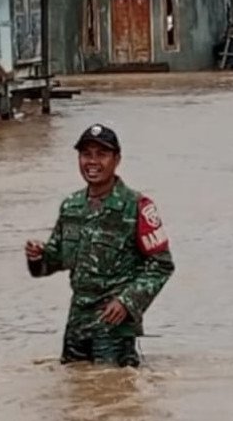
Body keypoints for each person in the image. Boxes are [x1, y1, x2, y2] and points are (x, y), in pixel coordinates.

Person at [26, 124, 175, 368]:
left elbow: (161, 265)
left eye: (101, 154)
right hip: (77, 323)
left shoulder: (136, 206)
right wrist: (37, 256)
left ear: (117, 160)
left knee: (114, 387)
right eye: (86, 154)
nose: (92, 162)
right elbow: (53, 262)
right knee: (75, 385)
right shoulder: (72, 206)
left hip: (114, 325)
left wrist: (127, 302)